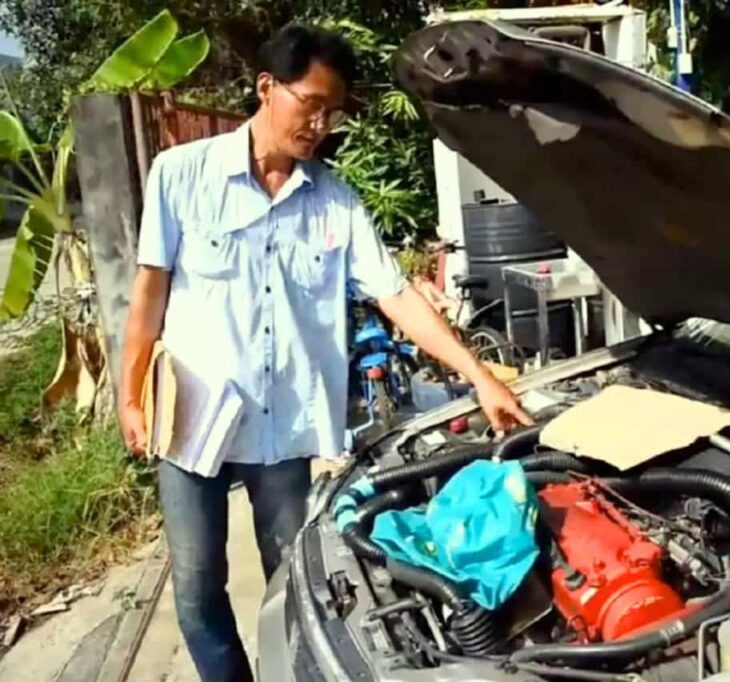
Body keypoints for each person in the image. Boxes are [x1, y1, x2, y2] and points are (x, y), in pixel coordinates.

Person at [117, 24, 532, 682]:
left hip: (283, 431)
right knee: (196, 589)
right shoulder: (182, 175)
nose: (319, 125)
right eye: (310, 104)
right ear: (267, 88)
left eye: (332, 112)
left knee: (294, 586)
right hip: (191, 419)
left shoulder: (335, 202)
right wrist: (130, 394)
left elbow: (397, 295)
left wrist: (479, 376)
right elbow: (149, 293)